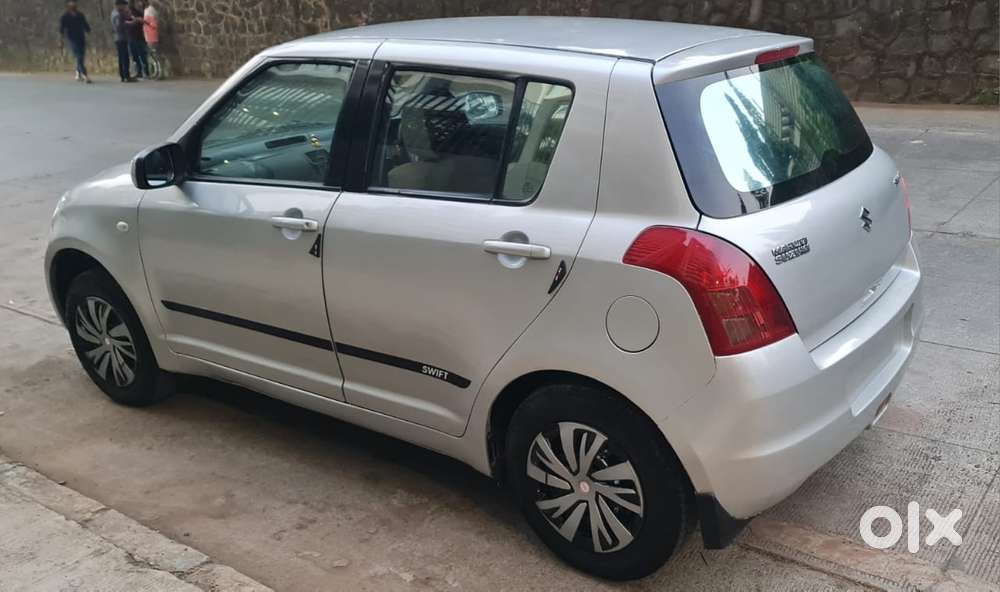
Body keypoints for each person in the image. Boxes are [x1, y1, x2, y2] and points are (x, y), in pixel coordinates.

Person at [59, 1, 91, 83]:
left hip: (81, 37)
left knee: (81, 56)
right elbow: (61, 28)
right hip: (72, 38)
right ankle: (85, 75)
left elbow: (85, 24)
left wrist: (88, 30)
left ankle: (78, 72)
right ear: (68, 5)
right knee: (78, 56)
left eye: (74, 3)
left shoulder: (80, 15)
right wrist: (61, 38)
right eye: (71, 3)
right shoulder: (65, 16)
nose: (73, 4)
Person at [111, 0, 135, 82]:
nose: (125, 7)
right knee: (124, 57)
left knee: (121, 57)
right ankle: (126, 76)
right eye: (124, 5)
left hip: (119, 38)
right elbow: (119, 26)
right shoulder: (117, 14)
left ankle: (123, 75)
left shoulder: (116, 13)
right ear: (119, 5)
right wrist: (130, 23)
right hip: (121, 38)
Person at [127, 1, 149, 79]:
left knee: (142, 55)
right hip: (131, 37)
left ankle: (146, 72)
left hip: (138, 37)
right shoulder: (126, 14)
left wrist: (137, 20)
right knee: (135, 56)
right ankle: (139, 71)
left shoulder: (137, 12)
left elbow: (142, 22)